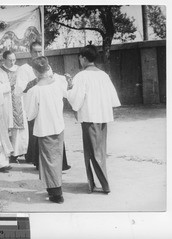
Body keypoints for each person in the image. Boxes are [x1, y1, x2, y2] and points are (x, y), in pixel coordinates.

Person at [67, 45, 121, 194]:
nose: (80, 60)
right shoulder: (103, 75)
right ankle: (99, 182)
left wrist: (68, 89)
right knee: (100, 151)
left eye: (80, 58)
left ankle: (101, 184)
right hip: (102, 117)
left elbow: (75, 98)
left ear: (84, 58)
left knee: (92, 152)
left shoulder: (81, 76)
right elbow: (112, 98)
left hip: (90, 118)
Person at [16, 41, 70, 170]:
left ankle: (60, 163)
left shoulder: (46, 65)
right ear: (30, 52)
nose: (38, 54)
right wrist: (37, 81)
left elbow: (53, 80)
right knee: (39, 134)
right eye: (35, 52)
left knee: (55, 130)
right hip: (34, 103)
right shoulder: (24, 68)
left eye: (40, 51)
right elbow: (19, 89)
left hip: (49, 103)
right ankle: (40, 163)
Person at [25, 56, 68, 204]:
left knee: (49, 161)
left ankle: (56, 193)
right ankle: (54, 189)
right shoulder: (58, 85)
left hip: (45, 128)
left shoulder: (34, 91)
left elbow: (30, 114)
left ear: (35, 72)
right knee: (55, 158)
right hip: (58, 126)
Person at [0, 50, 28, 162]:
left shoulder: (19, 69)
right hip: (5, 102)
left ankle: (17, 153)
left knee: (18, 129)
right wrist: (9, 85)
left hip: (19, 101)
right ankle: (7, 152)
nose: (12, 62)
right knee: (6, 127)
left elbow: (25, 84)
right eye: (10, 60)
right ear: (3, 60)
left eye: (14, 59)